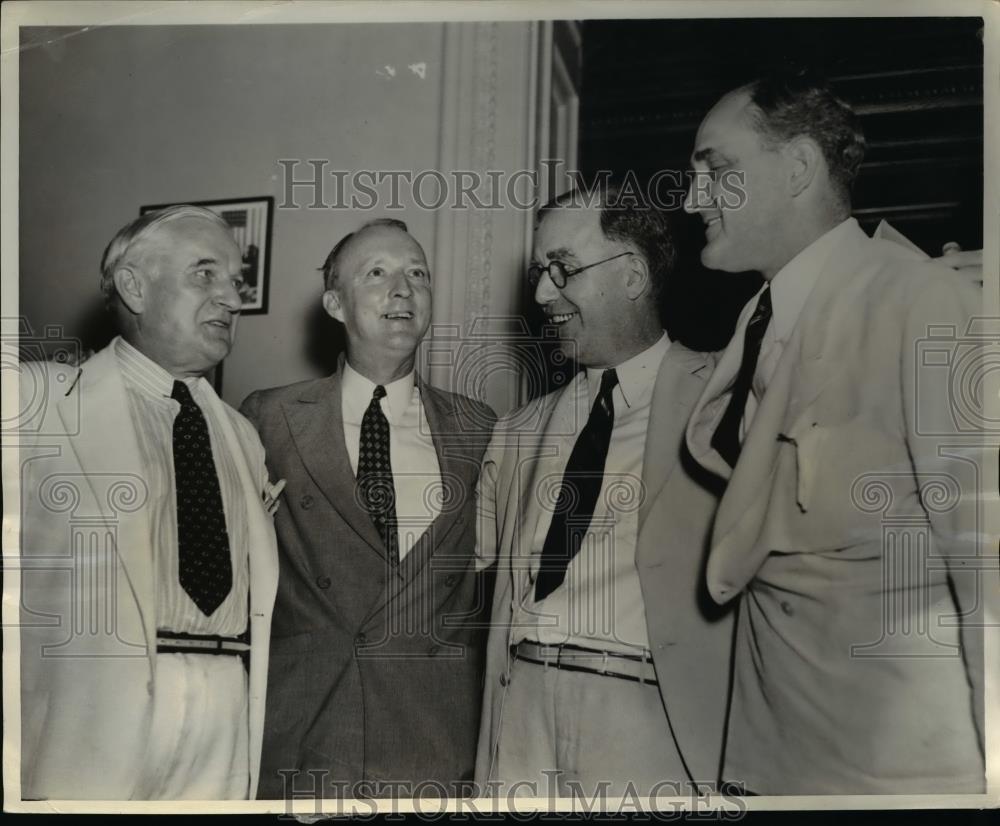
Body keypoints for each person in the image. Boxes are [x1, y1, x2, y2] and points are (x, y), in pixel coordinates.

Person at [683, 69, 985, 794]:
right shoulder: (757, 318)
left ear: (797, 168)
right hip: (771, 760)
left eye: (714, 171)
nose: (691, 200)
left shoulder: (918, 297)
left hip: (892, 773)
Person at [475, 186, 732, 799]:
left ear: (633, 275)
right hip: (521, 718)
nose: (542, 294)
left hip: (650, 719)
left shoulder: (724, 402)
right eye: (539, 273)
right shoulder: (515, 432)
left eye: (563, 268)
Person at [17, 205, 280, 799]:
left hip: (226, 717)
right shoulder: (37, 402)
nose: (232, 299)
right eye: (205, 274)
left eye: (235, 281)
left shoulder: (242, 435)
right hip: (88, 724)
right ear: (134, 287)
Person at [241, 218, 496, 800]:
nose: (402, 289)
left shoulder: (481, 427)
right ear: (335, 303)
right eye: (376, 273)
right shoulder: (269, 419)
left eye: (417, 274)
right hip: (304, 737)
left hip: (434, 744)